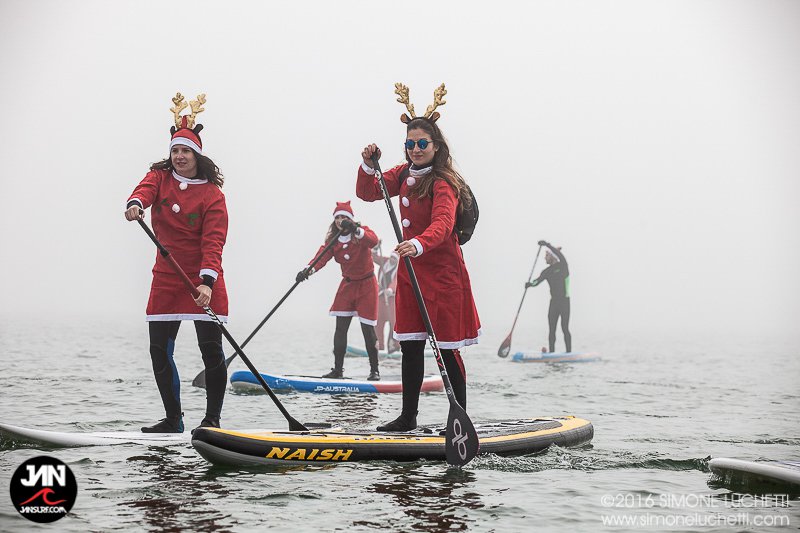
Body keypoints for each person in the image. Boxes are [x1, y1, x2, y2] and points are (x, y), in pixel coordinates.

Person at [356, 83, 481, 431]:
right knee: (410, 346)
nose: (415, 149)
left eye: (422, 143)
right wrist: (369, 165)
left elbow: (443, 223)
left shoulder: (444, 182)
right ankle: (407, 417)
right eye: (409, 144)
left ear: (436, 146)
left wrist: (419, 244)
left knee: (447, 349)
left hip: (443, 276)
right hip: (411, 276)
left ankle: (459, 420)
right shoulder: (402, 174)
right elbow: (367, 192)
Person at [124, 93, 228, 434]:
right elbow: (144, 190)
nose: (179, 156)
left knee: (211, 349)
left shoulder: (213, 194)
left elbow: (214, 240)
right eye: (175, 151)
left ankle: (211, 420)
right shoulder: (159, 176)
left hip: (202, 278)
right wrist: (136, 204)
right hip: (167, 276)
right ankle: (173, 419)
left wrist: (206, 283)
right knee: (158, 350)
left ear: (197, 154)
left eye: (185, 151)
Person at [296, 202, 381, 381]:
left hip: (367, 285)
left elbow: (373, 240)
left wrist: (355, 229)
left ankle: (374, 371)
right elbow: (320, 258)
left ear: (350, 219)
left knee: (368, 329)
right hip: (348, 286)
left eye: (343, 218)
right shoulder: (333, 241)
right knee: (340, 329)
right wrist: (307, 270)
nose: (340, 221)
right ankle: (338, 370)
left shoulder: (361, 233)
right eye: (337, 218)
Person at [525, 240, 572, 353]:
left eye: (546, 256)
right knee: (552, 330)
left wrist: (547, 245)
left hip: (564, 302)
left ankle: (568, 353)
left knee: (564, 328)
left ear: (553, 256)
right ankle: (551, 354)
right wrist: (530, 284)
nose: (545, 258)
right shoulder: (546, 271)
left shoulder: (563, 266)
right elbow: (537, 281)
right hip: (554, 303)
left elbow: (559, 254)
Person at [372, 243, 400, 353]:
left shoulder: (399, 268)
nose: (392, 260)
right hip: (381, 297)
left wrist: (391, 290)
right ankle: (380, 346)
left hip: (392, 299)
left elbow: (396, 281)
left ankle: (395, 346)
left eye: (395, 259)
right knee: (378, 321)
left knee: (394, 322)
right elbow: (374, 257)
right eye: (392, 257)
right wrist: (375, 248)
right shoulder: (385, 261)